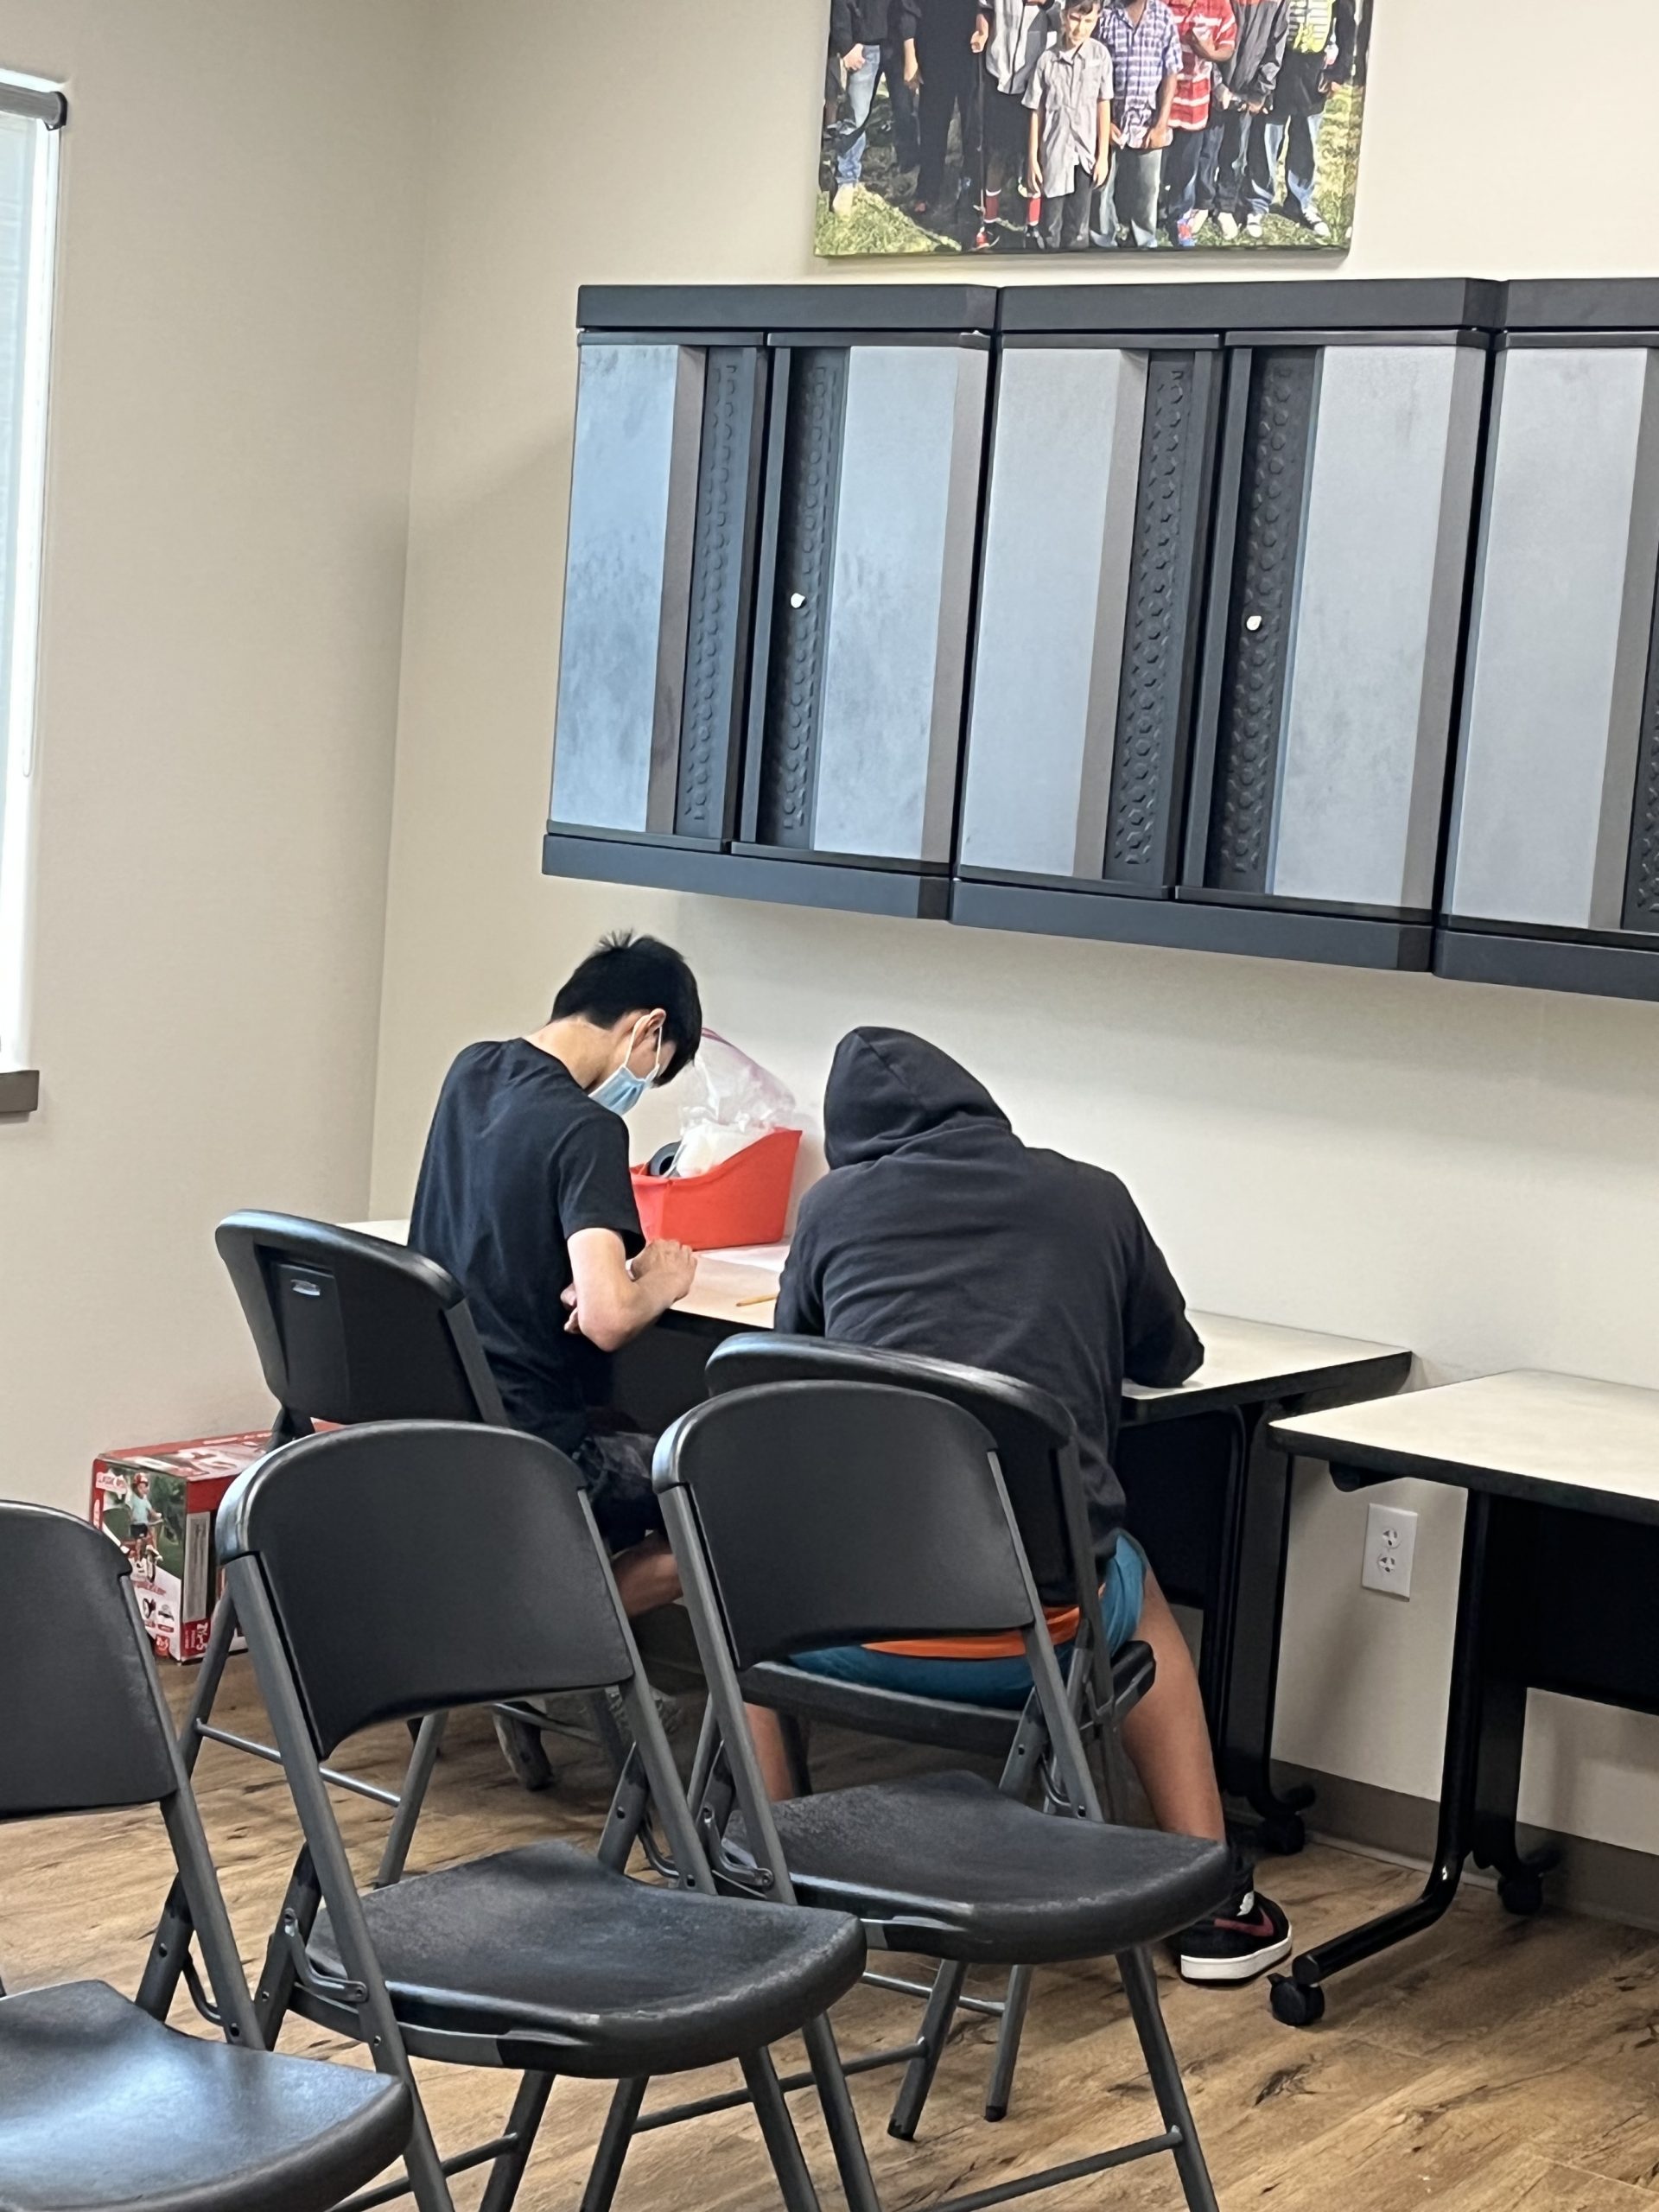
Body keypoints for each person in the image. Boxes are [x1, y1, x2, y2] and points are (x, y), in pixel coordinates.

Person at [762, 1028, 1293, 1986]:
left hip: (848, 1632)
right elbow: (1173, 1357)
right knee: (1136, 1582)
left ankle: (772, 1888)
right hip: (1039, 1636)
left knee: (739, 1589)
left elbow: (786, 1368)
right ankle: (1210, 1901)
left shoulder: (832, 1209)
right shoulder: (1092, 1197)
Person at [408, 931, 702, 1620]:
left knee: (625, 1420)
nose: (640, 1086)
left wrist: (599, 1273)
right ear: (648, 1027)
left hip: (436, 1421)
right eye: (655, 1069)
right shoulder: (588, 1128)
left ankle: (535, 1630)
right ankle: (553, 1641)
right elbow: (608, 1318)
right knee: (722, 1495)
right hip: (533, 1443)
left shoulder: (471, 1071)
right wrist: (662, 1278)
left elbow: (506, 1217)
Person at [1090, 0, 1183, 251]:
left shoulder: (1163, 17)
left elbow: (1171, 73)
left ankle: (1143, 243)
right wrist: (1104, 122)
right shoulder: (1106, 17)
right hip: (1111, 121)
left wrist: (1161, 125)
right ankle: (1102, 243)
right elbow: (1093, 72)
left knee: (1147, 190)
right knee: (1102, 187)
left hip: (1147, 123)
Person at [1192, 0, 1288, 238]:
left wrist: (1259, 93)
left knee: (1236, 153)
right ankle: (1202, 203)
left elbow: (1276, 48)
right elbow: (1206, 34)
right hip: (1217, 86)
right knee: (1208, 150)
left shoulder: (1277, 3)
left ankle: (1226, 206)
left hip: (1248, 90)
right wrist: (1217, 85)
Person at [1025, 0, 1113, 252]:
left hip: (1085, 155)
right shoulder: (1047, 60)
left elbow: (1103, 104)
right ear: (1064, 16)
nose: (1080, 28)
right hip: (1054, 152)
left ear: (1096, 21)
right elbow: (1036, 110)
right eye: (1075, 19)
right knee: (1051, 225)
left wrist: (1103, 156)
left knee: (1078, 226)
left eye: (1088, 21)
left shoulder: (1100, 57)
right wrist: (1033, 159)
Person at [1243, 0, 1337, 236]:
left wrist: (1339, 73)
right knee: (1267, 138)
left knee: (1306, 140)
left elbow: (1346, 24)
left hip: (1314, 71)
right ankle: (1257, 202)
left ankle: (1300, 202)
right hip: (1280, 64)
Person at [969, 0, 1058, 249]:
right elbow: (985, 8)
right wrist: (983, 31)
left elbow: (1065, 18)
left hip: (1035, 79)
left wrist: (1047, 3)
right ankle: (989, 222)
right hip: (998, 75)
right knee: (995, 155)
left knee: (1035, 157)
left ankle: (1032, 226)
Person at [828, 1, 918, 219]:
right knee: (856, 117)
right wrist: (846, 45)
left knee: (905, 111)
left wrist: (915, 47)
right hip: (863, 46)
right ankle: (847, 179)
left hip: (900, 44)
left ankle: (909, 170)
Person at [1160, 0, 1236, 248]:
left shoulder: (1218, 6)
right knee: (1155, 168)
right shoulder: (1160, 5)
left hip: (1194, 104)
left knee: (1186, 168)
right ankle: (1148, 216)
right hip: (1159, 103)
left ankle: (1180, 218)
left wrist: (1210, 54)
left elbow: (1227, 46)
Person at [900, 0, 984, 224]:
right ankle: (928, 190)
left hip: (973, 55)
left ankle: (971, 192)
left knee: (973, 129)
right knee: (932, 126)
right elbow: (909, 9)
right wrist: (910, 55)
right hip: (934, 52)